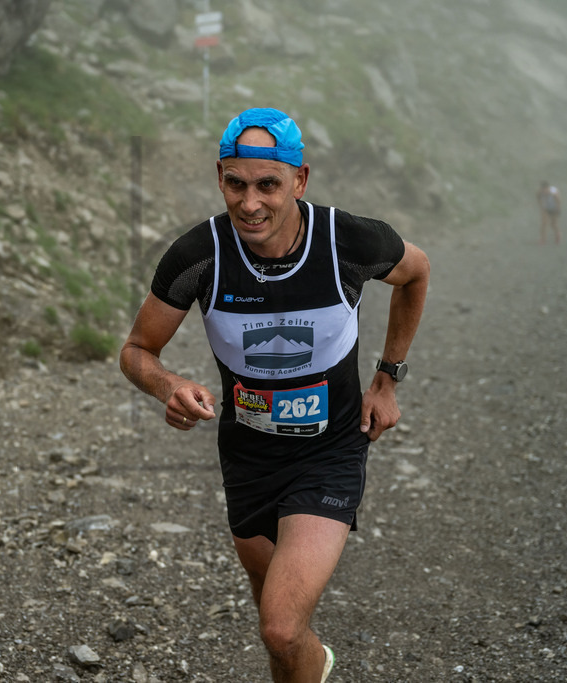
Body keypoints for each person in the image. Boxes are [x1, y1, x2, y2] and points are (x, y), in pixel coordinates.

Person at [120, 107, 430, 682]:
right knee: (276, 631)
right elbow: (137, 350)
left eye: (268, 184)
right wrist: (169, 385)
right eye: (236, 184)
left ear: (300, 181)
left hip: (329, 451)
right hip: (247, 458)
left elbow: (416, 273)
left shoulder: (349, 240)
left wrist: (387, 380)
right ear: (220, 178)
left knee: (282, 627)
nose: (250, 202)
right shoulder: (199, 255)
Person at [536, 180, 562, 245]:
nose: (545, 191)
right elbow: (538, 198)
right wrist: (541, 206)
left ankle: (558, 235)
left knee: (553, 224)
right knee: (544, 223)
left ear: (548, 188)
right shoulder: (539, 192)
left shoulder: (554, 192)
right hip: (546, 208)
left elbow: (558, 201)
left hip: (554, 208)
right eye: (543, 190)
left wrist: (558, 209)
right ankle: (543, 240)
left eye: (546, 189)